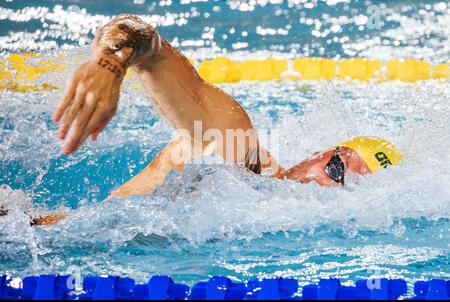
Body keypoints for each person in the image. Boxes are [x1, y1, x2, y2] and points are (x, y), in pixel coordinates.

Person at [53, 14, 403, 199]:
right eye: (337, 170)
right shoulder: (245, 154)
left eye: (349, 190)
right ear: (319, 153)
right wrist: (110, 63)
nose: (328, 188)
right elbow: (142, 37)